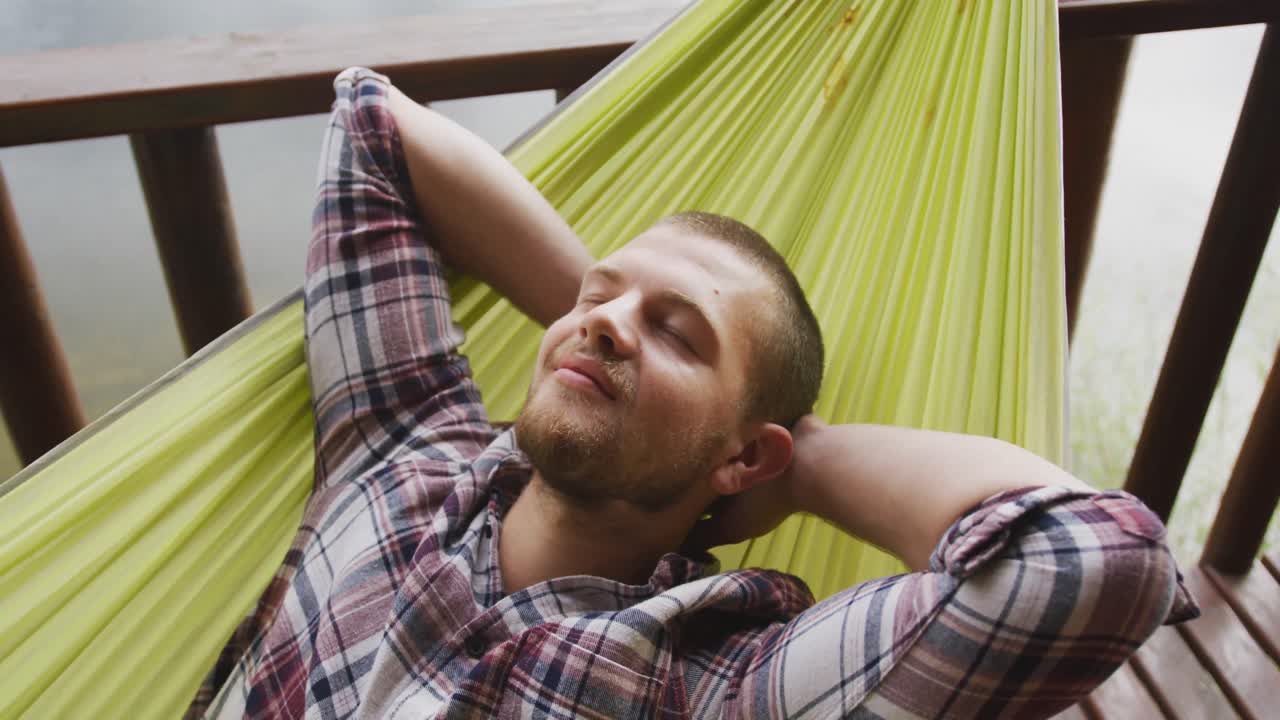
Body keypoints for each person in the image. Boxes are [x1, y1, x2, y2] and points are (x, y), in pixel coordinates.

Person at [194, 67, 1197, 720]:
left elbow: (1094, 566)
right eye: (597, 294)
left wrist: (808, 462)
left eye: (679, 332)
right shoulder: (396, 441)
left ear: (747, 455)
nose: (605, 318)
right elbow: (372, 125)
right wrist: (608, 340)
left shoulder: (713, 686)